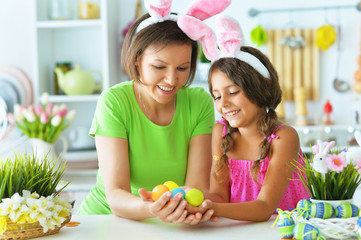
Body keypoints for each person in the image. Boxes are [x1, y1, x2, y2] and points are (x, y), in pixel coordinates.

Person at [76, 0, 227, 224]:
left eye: (182, 68)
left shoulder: (198, 103)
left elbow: (195, 188)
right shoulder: (114, 102)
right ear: (137, 60)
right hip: (106, 220)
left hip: (168, 221)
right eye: (159, 67)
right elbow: (116, 195)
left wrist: (191, 207)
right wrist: (153, 209)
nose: (171, 80)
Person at [178, 15, 309, 222]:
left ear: (259, 88)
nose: (223, 104)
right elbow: (219, 196)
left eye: (233, 92)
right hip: (239, 231)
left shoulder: (283, 138)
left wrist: (213, 209)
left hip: (284, 232)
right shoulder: (220, 133)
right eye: (217, 96)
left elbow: (265, 208)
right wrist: (191, 200)